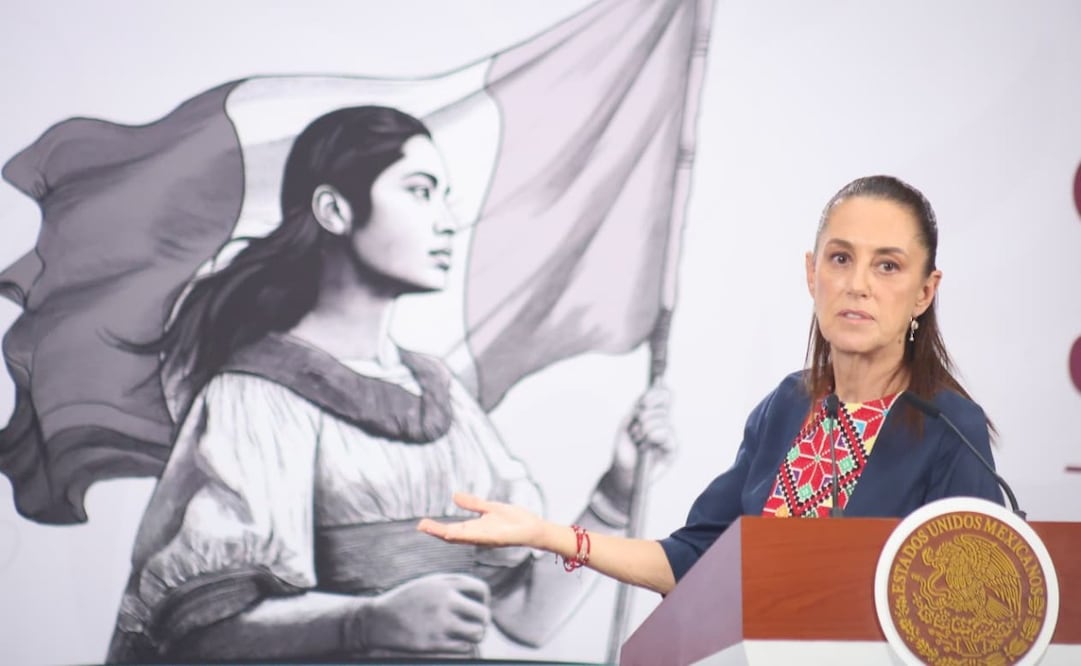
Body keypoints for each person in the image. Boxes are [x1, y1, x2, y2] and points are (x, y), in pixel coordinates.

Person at [104, 105, 673, 662]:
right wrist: (366, 622)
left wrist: (613, 495)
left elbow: (528, 614)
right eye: (420, 191)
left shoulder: (442, 398)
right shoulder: (258, 396)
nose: (447, 220)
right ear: (334, 209)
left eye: (444, 197)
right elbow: (199, 633)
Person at [419, 174, 1005, 596]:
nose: (857, 285)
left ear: (924, 293)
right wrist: (549, 535)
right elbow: (693, 560)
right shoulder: (786, 407)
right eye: (840, 259)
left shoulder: (950, 426)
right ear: (811, 273)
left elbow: (974, 613)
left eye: (887, 265)